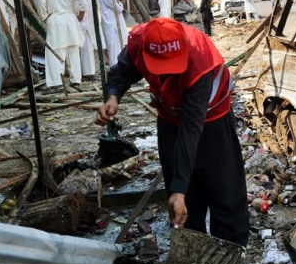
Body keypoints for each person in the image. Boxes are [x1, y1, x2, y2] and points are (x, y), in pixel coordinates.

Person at [96, 17, 250, 247]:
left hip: (211, 122)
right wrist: (113, 96)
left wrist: (180, 189)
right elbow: (122, 72)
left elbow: (190, 130)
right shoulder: (140, 43)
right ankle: (191, 250)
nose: (167, 74)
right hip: (169, 119)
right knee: (185, 205)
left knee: (224, 196)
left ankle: (229, 254)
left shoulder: (199, 59)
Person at [35, 0, 85, 91]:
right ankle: (76, 81)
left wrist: (44, 16)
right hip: (70, 19)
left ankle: (57, 82)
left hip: (55, 19)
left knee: (55, 51)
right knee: (73, 51)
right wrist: (80, 16)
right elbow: (83, 2)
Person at [70, 0, 100, 81]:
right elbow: (81, 5)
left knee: (87, 49)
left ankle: (88, 71)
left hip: (86, 23)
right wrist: (80, 18)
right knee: (85, 49)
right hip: (83, 23)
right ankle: (88, 72)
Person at [99, 0, 127, 67]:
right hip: (112, 25)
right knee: (114, 48)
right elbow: (119, 8)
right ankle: (115, 67)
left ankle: (117, 66)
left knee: (117, 47)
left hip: (113, 23)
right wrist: (120, 4)